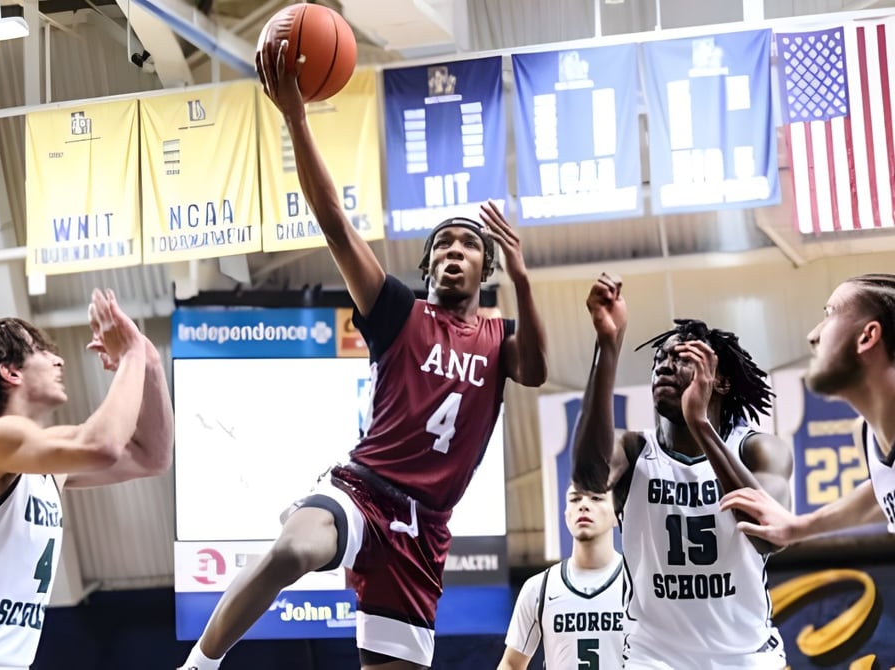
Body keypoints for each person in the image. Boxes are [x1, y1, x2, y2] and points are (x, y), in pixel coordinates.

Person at [178, 36, 547, 670]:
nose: (457, 251)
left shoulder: (501, 337)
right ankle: (198, 667)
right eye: (446, 245)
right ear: (428, 264)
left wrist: (525, 278)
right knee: (293, 550)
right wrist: (296, 116)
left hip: (424, 530)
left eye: (470, 245)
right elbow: (335, 223)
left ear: (487, 267)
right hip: (363, 490)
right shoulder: (398, 310)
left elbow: (537, 372)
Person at [0, 289, 173, 670]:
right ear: (11, 371)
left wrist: (151, 365)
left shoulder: (44, 457)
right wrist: (130, 357)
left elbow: (151, 457)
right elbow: (104, 445)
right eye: (43, 351)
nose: (59, 359)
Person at [571, 273, 792, 670]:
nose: (664, 366)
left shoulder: (757, 448)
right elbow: (588, 478)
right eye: (660, 360)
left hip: (746, 657)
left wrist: (700, 425)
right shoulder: (634, 450)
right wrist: (607, 346)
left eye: (681, 359)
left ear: (720, 380)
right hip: (652, 659)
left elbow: (770, 537)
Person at [722, 273, 895, 545]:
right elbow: (881, 494)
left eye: (830, 314)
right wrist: (798, 527)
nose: (813, 335)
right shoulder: (868, 435)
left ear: (867, 336)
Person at [497, 485, 623, 670]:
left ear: (616, 514)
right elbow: (511, 664)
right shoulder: (539, 587)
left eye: (596, 498)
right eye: (575, 499)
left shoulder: (640, 585)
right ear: (566, 514)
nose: (584, 505)